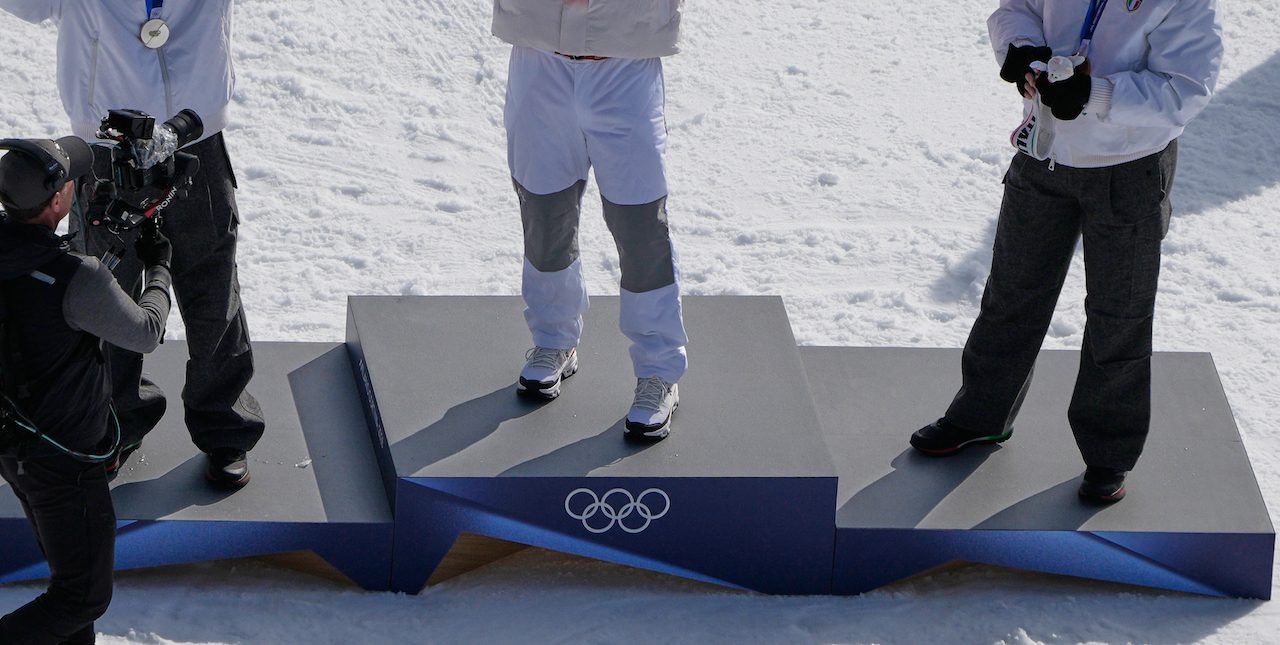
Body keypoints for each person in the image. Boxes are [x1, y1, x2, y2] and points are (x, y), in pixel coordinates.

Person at [909, 0, 1223, 503]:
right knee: (1011, 295)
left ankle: (1109, 454)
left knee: (1119, 315)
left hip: (1130, 168)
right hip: (1043, 153)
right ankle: (980, 416)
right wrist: (1022, 50)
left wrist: (1095, 94)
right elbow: (1016, 9)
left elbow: (1185, 88)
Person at [0, 0, 264, 487]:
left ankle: (225, 425)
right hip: (103, 149)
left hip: (195, 139)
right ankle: (116, 423)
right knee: (104, 294)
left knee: (212, 285)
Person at [0, 137, 172, 644]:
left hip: (14, 448)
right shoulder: (78, 278)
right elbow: (146, 331)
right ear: (56, 201)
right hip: (66, 463)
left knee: (70, 581)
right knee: (82, 597)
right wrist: (159, 268)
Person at [493, 0, 688, 441]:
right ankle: (553, 338)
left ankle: (658, 370)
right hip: (539, 56)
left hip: (625, 61)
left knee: (639, 224)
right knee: (544, 210)